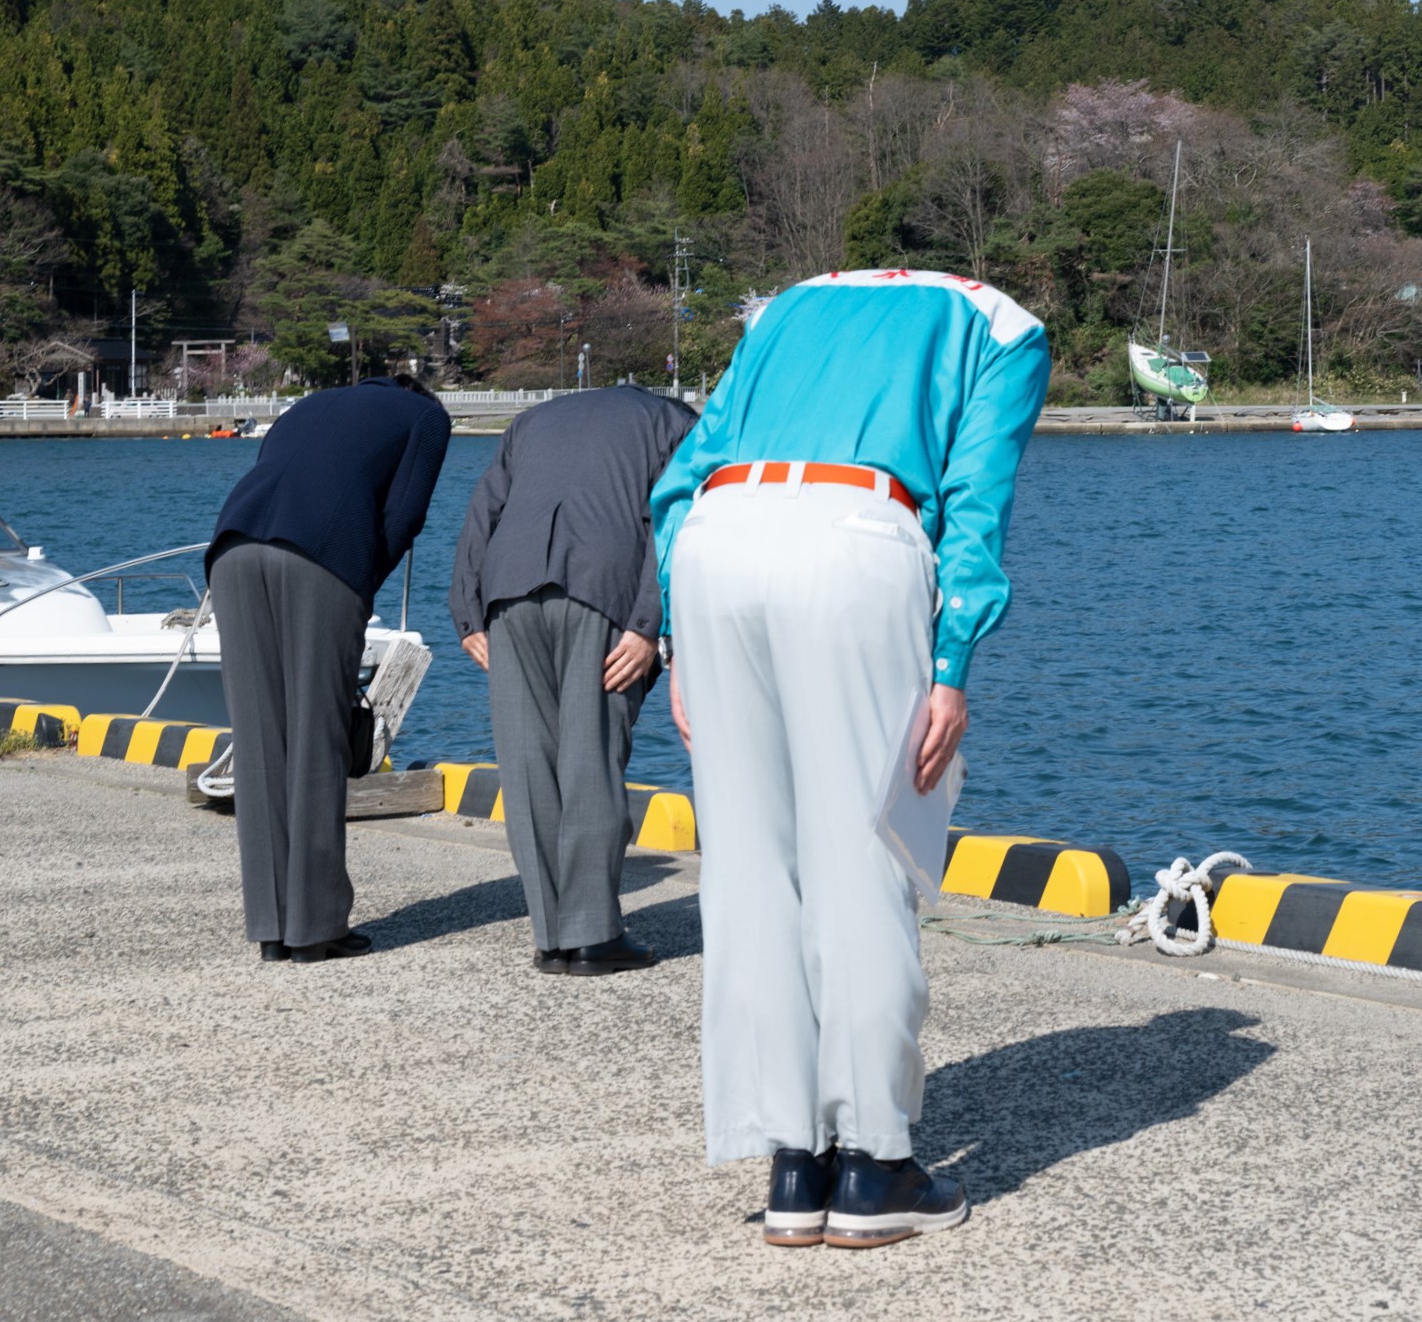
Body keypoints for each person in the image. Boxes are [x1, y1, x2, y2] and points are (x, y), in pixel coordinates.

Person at [650, 268, 1050, 1250]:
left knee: (748, 867)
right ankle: (874, 1167)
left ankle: (795, 1160)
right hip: (858, 538)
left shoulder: (783, 305)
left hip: (719, 538)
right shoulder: (1004, 327)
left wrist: (677, 642)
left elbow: (680, 474)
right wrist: (952, 661)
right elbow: (973, 500)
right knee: (863, 857)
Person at [447, 384, 695, 975]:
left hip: (507, 590)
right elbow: (675, 521)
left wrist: (466, 613)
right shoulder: (677, 423)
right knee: (591, 756)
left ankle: (552, 934)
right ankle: (592, 936)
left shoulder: (533, 420)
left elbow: (484, 512)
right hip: (600, 586)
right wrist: (646, 623)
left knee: (527, 764)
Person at [208, 373, 451, 963]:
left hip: (233, 548)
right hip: (323, 556)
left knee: (261, 738)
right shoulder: (427, 418)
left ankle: (273, 926)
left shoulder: (309, 403)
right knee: (318, 739)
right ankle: (316, 927)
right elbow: (404, 515)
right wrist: (361, 584)